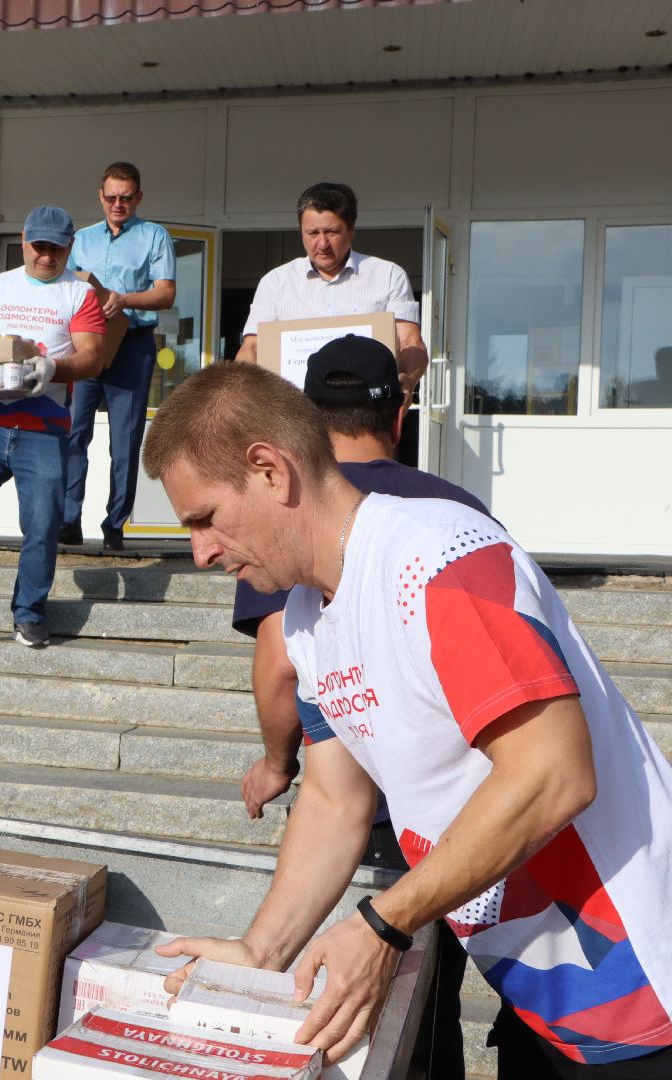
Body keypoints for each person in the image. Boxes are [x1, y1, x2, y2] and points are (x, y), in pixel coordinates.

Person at [142, 363, 672, 1077]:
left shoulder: (437, 559)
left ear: (269, 470)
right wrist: (261, 953)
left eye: (204, 519)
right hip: (557, 1007)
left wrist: (386, 923)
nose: (200, 552)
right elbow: (337, 798)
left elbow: (554, 774)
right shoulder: (304, 619)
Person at [231, 335, 487, 1080]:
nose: (209, 551)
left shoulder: (303, 514)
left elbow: (280, 663)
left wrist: (278, 762)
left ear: (299, 432)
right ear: (400, 412)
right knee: (430, 1019)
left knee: (372, 1031)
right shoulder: (457, 504)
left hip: (401, 839)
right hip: (466, 833)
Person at [0, 205, 106, 650]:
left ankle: (30, 613)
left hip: (43, 428)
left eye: (56, 248)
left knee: (43, 523)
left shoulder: (79, 294)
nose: (47, 256)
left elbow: (93, 356)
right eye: (39, 246)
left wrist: (51, 367)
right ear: (23, 239)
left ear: (69, 247)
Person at [60, 162, 176, 551]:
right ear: (100, 196)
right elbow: (67, 288)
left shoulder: (153, 235)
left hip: (134, 340)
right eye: (111, 197)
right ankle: (67, 519)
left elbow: (165, 293)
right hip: (88, 342)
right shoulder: (81, 239)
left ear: (138, 197)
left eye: (126, 197)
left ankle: (115, 525)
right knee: (74, 430)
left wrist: (123, 298)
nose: (117, 204)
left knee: (124, 439)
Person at [235, 182, 428, 396]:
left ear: (351, 230)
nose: (322, 244)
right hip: (295, 412)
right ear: (301, 231)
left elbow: (410, 341)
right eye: (312, 233)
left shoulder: (388, 275)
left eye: (331, 232)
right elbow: (252, 347)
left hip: (366, 408)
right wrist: (243, 393)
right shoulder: (275, 282)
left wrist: (408, 380)